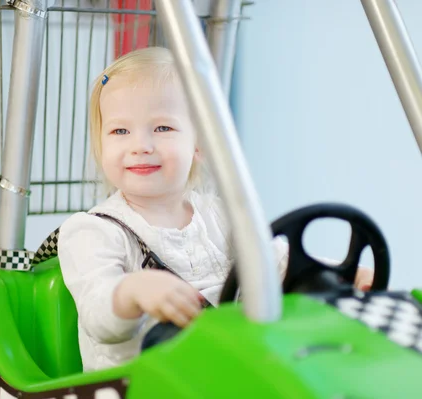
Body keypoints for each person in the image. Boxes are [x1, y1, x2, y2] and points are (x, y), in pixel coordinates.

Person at [57, 46, 374, 372]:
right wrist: (132, 291)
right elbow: (98, 314)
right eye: (119, 131)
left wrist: (341, 272)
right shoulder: (91, 231)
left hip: (229, 369)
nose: (140, 145)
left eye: (162, 128)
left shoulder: (220, 214)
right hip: (140, 385)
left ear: (200, 144)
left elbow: (277, 263)